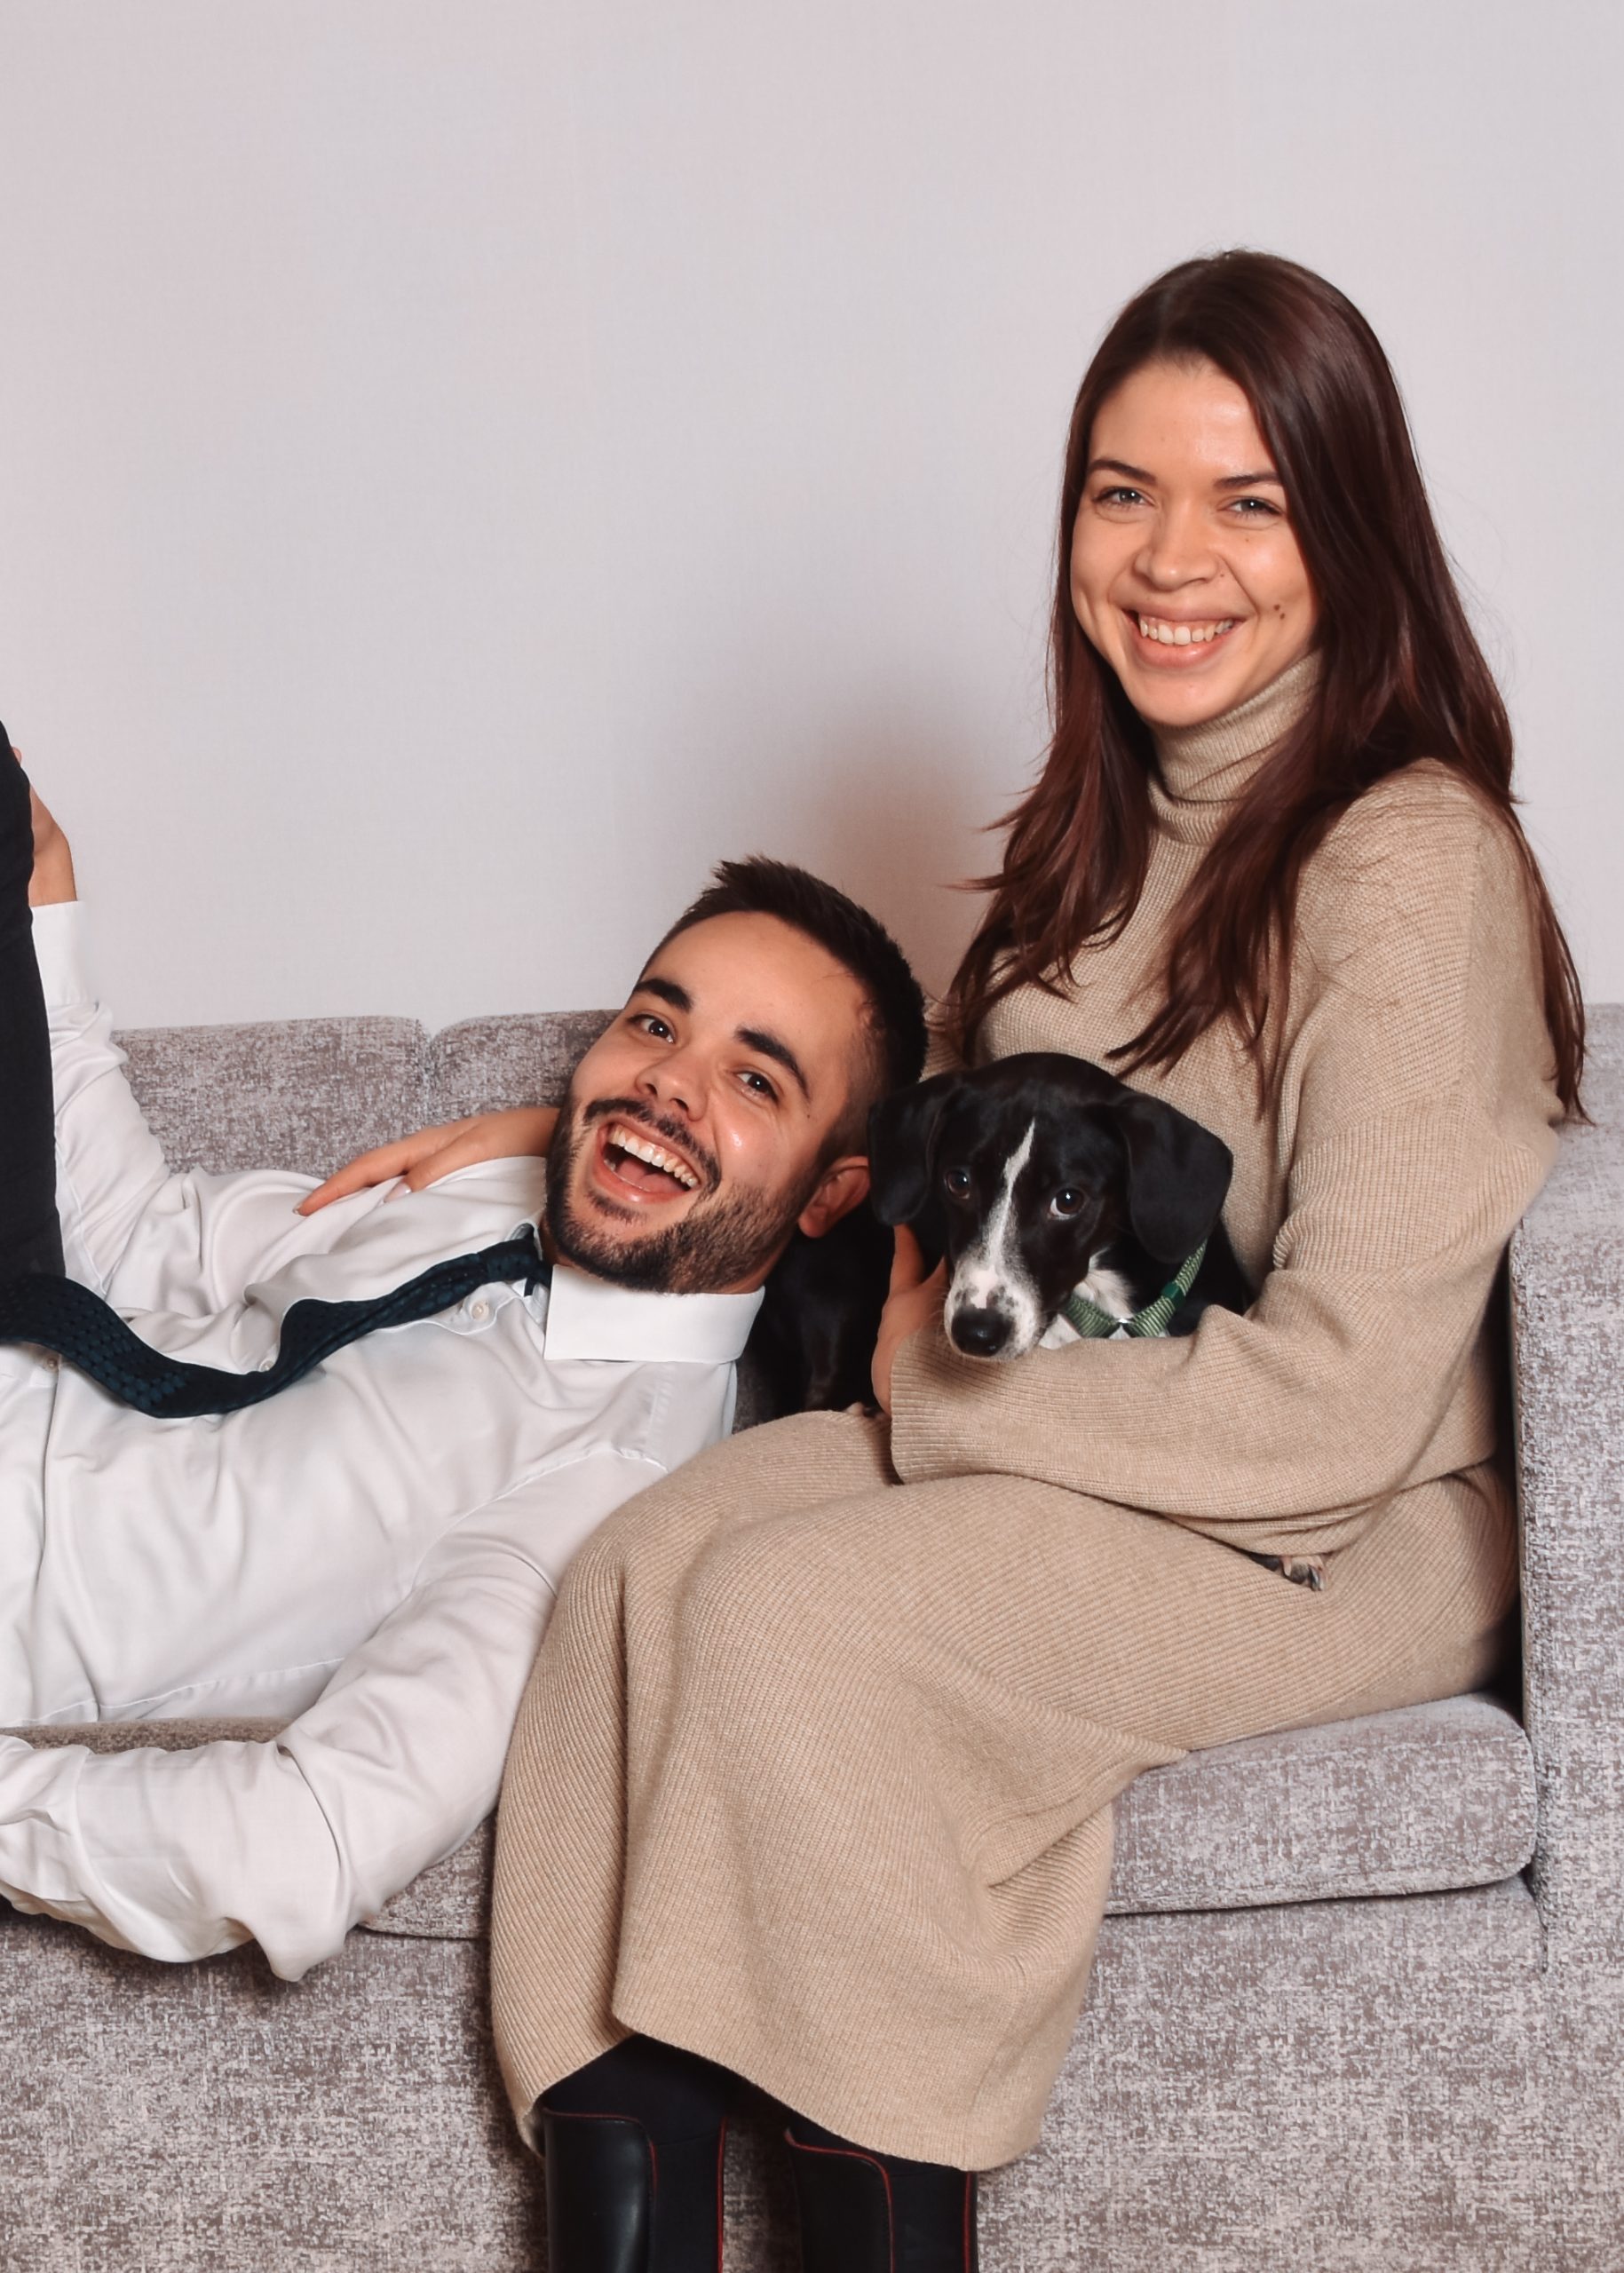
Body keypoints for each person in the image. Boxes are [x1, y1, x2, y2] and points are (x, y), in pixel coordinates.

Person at [368, 249, 1582, 2272]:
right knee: (628, 1581)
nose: (1169, 558)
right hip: (1092, 1440)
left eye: (1248, 499)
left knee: (795, 1624)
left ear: (1348, 535)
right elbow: (916, 1122)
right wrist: (569, 1124)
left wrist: (933, 1392)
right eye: (1122, 492)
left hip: (1350, 1520)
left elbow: (1347, 1401)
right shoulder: (1094, 842)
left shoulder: (1405, 859)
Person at [0, 750, 925, 1978]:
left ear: (830, 1194)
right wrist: (45, 890)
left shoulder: (613, 1490)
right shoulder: (480, 1195)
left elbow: (301, 1843)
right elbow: (142, 1244)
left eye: (754, 1078)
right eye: (657, 1023)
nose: (668, 1081)